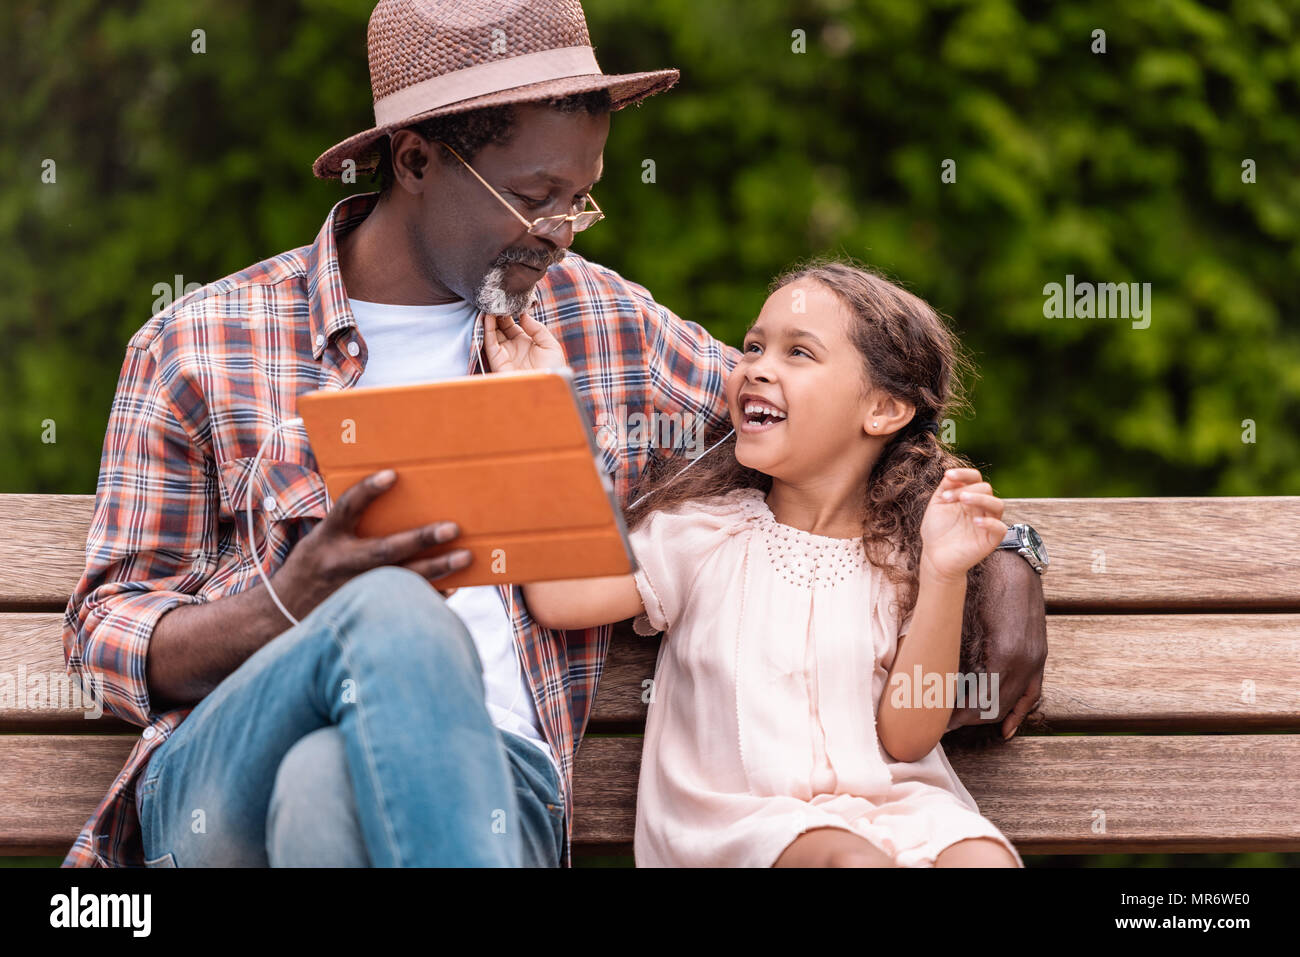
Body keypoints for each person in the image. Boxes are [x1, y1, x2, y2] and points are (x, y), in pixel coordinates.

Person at [61, 0, 1046, 868]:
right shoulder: (202, 342)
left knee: (330, 790)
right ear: (415, 161)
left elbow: (850, 436)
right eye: (535, 198)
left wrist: (1006, 560)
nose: (565, 230)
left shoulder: (602, 325)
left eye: (581, 195)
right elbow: (107, 632)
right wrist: (293, 600)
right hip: (219, 787)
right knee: (398, 619)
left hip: (497, 793)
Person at [521, 260, 1024, 866]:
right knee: (850, 860)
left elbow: (909, 737)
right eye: (754, 346)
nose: (755, 366)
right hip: (741, 824)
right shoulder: (703, 530)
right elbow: (561, 598)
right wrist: (542, 407)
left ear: (884, 412)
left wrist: (946, 575)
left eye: (798, 354)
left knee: (981, 858)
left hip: (893, 808)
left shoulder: (904, 556)